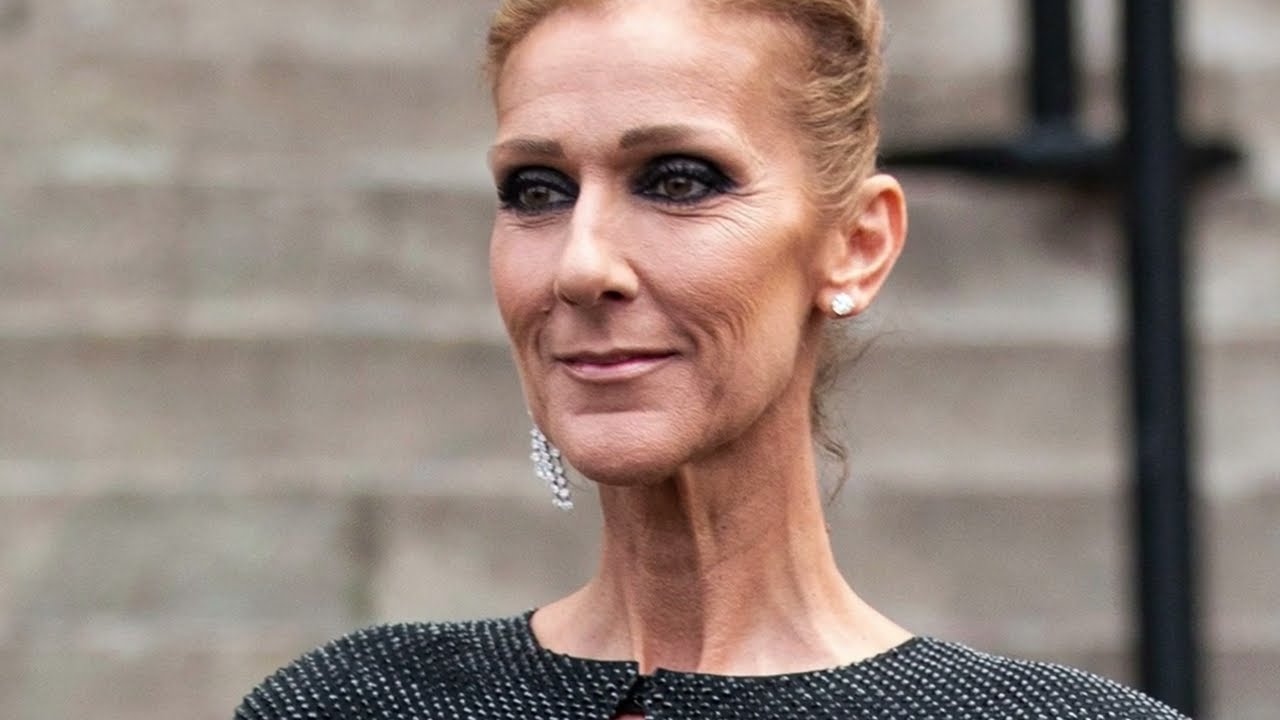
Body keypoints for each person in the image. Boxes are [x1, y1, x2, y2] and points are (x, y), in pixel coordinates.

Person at [234, 1, 1188, 718]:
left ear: (857, 245)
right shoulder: (350, 703)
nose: (581, 265)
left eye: (679, 180)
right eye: (536, 190)